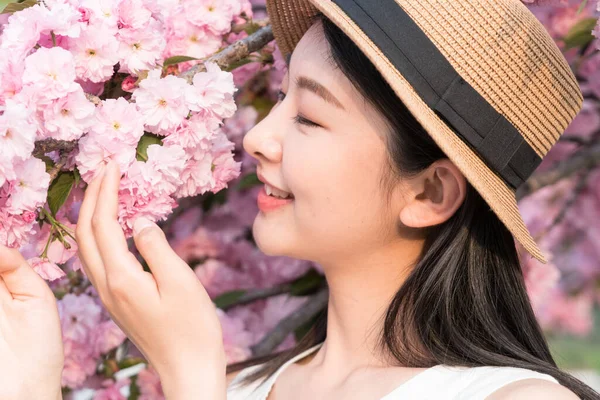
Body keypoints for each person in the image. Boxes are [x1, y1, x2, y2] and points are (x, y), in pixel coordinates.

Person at [0, 0, 598, 399]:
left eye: (309, 117)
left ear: (429, 191)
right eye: (281, 97)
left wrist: (188, 374)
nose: (258, 136)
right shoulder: (247, 384)